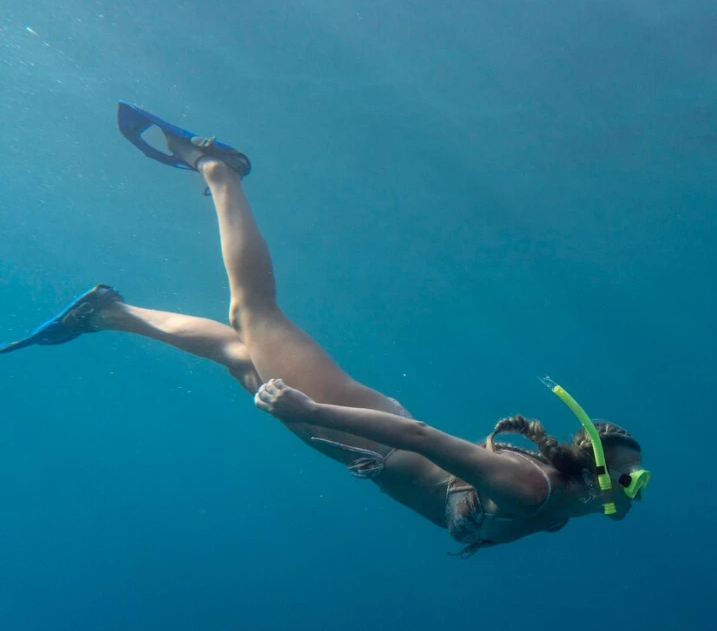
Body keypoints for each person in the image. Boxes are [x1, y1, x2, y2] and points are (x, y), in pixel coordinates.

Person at [2, 105, 650, 558]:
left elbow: (461, 502)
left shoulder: (558, 516)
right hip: (356, 426)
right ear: (593, 473)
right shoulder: (531, 489)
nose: (632, 492)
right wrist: (314, 409)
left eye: (634, 482)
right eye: (628, 480)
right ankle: (216, 167)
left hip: (360, 442)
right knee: (256, 312)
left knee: (237, 349)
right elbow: (423, 437)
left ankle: (109, 313)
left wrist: (458, 515)